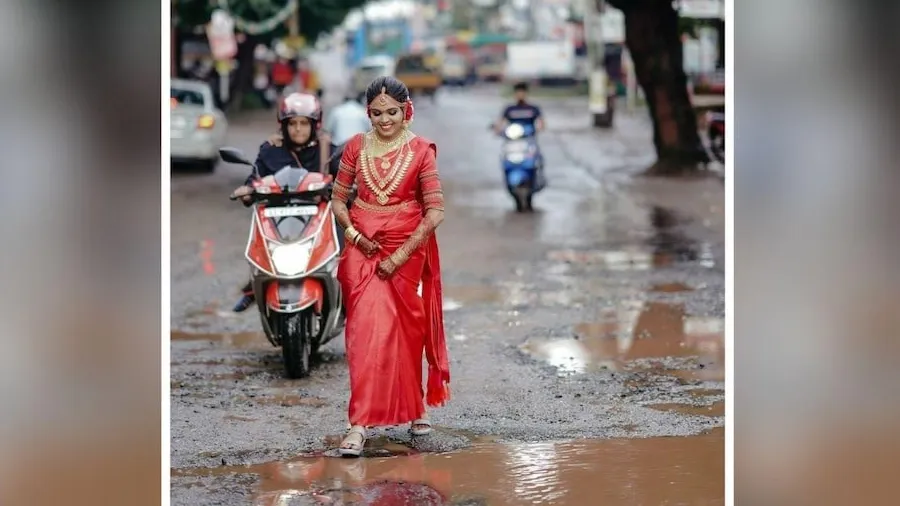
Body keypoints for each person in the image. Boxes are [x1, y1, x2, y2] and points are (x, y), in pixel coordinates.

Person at [330, 76, 451, 457]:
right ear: (368, 112)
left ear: (406, 111)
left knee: (406, 331)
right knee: (362, 334)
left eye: (393, 112)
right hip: (361, 249)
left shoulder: (420, 151)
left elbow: (435, 212)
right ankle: (359, 423)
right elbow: (337, 202)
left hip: (406, 250)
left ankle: (415, 408)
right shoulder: (355, 147)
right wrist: (355, 237)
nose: (385, 120)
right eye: (378, 113)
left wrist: (399, 256)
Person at [231, 92, 342, 312]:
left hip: (318, 218)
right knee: (259, 244)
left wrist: (347, 188)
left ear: (315, 124)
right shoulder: (270, 150)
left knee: (347, 247)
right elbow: (254, 178)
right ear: (283, 125)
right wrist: (246, 190)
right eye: (292, 123)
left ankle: (346, 294)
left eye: (303, 123)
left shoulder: (327, 150)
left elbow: (345, 176)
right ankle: (255, 287)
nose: (298, 129)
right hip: (278, 218)